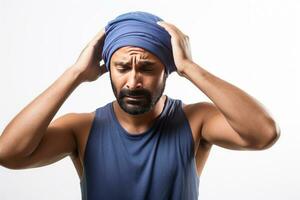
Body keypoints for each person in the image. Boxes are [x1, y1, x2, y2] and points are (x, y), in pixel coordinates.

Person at [0, 11, 280, 200]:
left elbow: (263, 133)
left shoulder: (196, 121)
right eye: (122, 67)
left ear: (166, 70)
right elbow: (9, 154)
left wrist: (190, 67)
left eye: (146, 67)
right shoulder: (81, 128)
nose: (133, 81)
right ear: (108, 68)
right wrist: (74, 74)